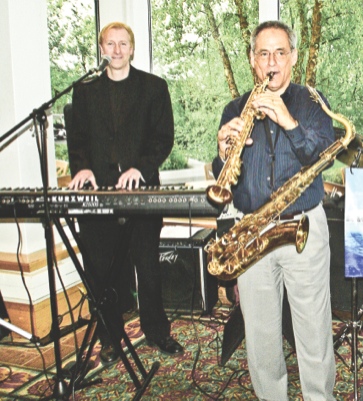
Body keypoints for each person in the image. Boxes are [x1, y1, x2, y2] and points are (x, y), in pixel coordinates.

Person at [211, 20, 336, 401]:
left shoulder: (313, 101)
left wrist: (287, 120)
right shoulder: (234, 108)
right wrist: (222, 156)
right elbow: (225, 179)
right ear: (252, 60)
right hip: (251, 233)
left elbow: (323, 158)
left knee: (313, 332)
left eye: (280, 52)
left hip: (302, 228)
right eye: (263, 53)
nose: (272, 61)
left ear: (293, 57)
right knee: (261, 335)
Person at [67, 21, 183, 364]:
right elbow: (78, 140)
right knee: (103, 272)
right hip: (99, 194)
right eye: (110, 44)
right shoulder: (83, 91)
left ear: (132, 49)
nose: (117, 51)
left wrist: (141, 169)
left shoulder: (154, 87)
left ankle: (157, 331)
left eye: (123, 44)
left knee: (148, 268)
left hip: (142, 192)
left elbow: (164, 137)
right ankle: (110, 339)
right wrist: (82, 168)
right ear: (102, 49)